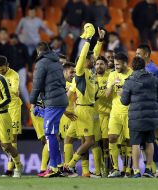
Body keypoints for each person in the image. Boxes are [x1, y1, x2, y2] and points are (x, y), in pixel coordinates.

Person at [65, 24, 105, 178]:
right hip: (83, 110)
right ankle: (71, 166)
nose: (94, 60)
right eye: (92, 59)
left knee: (88, 141)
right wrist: (87, 39)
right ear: (86, 60)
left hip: (88, 109)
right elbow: (83, 57)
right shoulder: (81, 71)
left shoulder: (90, 71)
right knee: (85, 141)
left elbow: (93, 54)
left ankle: (79, 169)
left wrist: (100, 40)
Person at [30, 42, 68, 177]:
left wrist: (32, 102)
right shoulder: (56, 62)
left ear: (38, 52)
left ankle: (53, 167)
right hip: (60, 100)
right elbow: (63, 82)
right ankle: (58, 164)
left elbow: (36, 84)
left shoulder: (42, 63)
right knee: (53, 133)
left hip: (53, 102)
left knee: (49, 134)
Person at [121, 57, 158, 178]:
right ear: (144, 66)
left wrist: (121, 93)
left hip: (136, 117)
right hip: (151, 116)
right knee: (149, 142)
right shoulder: (153, 78)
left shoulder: (130, 80)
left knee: (135, 144)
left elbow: (124, 101)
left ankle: (136, 170)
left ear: (132, 67)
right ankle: (148, 169)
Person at [106, 53, 133, 178]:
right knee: (112, 138)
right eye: (115, 64)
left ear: (125, 63)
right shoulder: (112, 75)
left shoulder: (132, 74)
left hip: (129, 112)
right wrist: (111, 85)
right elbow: (107, 95)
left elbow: (137, 93)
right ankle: (115, 168)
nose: (116, 66)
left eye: (118, 64)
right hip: (115, 112)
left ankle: (127, 169)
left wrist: (126, 93)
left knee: (129, 141)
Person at [0, 55, 22, 177]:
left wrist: (2, 86)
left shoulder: (14, 75)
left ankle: (11, 169)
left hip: (13, 108)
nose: (0, 72)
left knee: (12, 139)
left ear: (7, 65)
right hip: (0, 109)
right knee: (3, 142)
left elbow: (16, 91)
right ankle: (13, 164)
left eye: (2, 70)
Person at [94, 56, 112, 177]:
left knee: (106, 142)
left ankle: (108, 168)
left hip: (108, 114)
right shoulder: (92, 78)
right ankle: (98, 170)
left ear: (106, 65)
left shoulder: (111, 76)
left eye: (101, 64)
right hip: (95, 115)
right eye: (97, 64)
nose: (99, 66)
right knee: (96, 142)